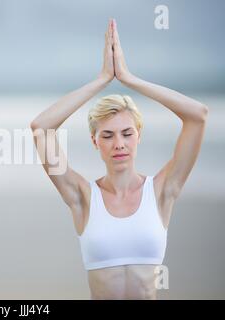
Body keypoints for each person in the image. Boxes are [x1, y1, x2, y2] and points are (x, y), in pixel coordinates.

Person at [30, 18, 208, 299]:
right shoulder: (81, 196)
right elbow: (41, 128)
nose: (119, 144)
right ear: (94, 141)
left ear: (139, 135)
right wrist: (101, 80)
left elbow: (197, 116)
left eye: (127, 133)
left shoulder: (162, 191)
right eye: (108, 135)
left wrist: (129, 79)